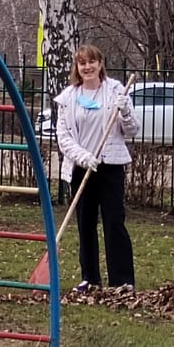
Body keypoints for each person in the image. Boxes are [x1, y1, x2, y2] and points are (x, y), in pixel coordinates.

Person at [54, 45, 138, 292]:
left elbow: (132, 130)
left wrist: (125, 111)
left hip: (110, 167)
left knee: (114, 222)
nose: (87, 67)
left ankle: (122, 280)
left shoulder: (116, 91)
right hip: (82, 168)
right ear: (77, 68)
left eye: (92, 62)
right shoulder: (68, 98)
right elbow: (63, 137)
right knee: (85, 223)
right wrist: (82, 157)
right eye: (82, 63)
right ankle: (89, 278)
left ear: (100, 64)